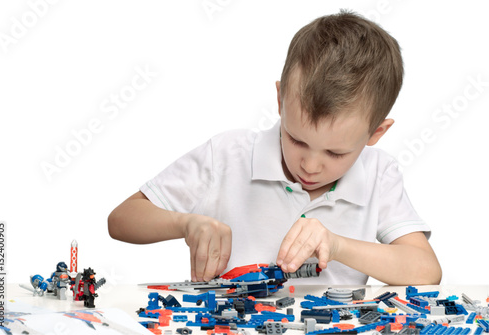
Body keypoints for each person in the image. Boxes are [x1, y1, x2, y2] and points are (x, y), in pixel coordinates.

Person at [108, 10, 442, 285]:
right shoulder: (228, 155)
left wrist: (337, 245)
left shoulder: (379, 173)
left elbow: (426, 271)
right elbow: (122, 220)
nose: (310, 165)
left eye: (335, 153)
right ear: (280, 100)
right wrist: (185, 223)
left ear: (376, 133)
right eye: (297, 139)